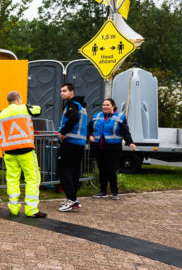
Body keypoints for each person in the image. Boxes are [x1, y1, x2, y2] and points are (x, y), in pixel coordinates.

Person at [0, 91, 47, 218]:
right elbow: (38, 110)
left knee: (12, 179)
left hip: (9, 152)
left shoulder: (1, 114)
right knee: (32, 178)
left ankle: (14, 208)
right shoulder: (25, 108)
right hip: (25, 150)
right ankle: (31, 209)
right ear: (18, 99)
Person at [87, 98, 137, 200]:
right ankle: (103, 191)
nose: (105, 107)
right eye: (104, 105)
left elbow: (125, 132)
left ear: (113, 106)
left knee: (111, 169)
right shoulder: (96, 116)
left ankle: (115, 192)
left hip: (113, 148)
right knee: (102, 169)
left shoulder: (120, 117)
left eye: (107, 105)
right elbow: (88, 128)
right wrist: (89, 135)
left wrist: (130, 142)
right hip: (98, 147)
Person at [57, 83, 88, 212]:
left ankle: (71, 200)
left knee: (63, 171)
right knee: (74, 172)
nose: (62, 93)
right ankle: (73, 198)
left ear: (72, 92)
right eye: (61, 91)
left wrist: (63, 132)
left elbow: (73, 118)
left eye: (64, 91)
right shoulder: (81, 106)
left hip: (70, 142)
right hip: (79, 144)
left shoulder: (72, 105)